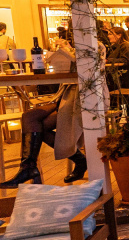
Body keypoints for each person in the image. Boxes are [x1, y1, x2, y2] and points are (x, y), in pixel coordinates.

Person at [0, 38, 110, 188]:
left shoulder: (96, 45)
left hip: (84, 100)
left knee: (36, 126)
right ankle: (28, 168)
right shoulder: (77, 47)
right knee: (29, 116)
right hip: (65, 95)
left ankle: (76, 161)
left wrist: (67, 50)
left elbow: (90, 70)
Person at [106, 27, 129, 114]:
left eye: (110, 34)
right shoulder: (117, 46)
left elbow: (125, 61)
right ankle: (117, 120)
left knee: (113, 97)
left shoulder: (127, 45)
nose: (108, 36)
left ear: (119, 35)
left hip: (126, 80)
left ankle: (118, 119)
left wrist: (107, 61)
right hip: (122, 79)